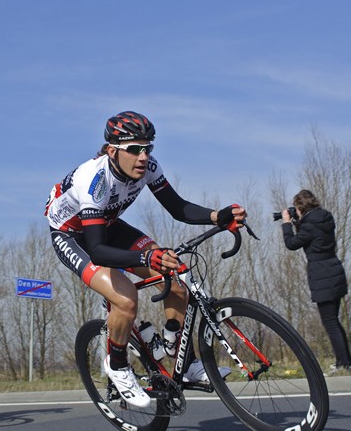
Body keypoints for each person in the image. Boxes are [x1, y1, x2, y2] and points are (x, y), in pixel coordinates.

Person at [44, 110, 246, 408]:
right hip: (74, 236)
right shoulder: (95, 180)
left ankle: (183, 359)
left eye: (148, 147)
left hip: (107, 224)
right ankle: (117, 364)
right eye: (134, 149)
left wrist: (217, 216)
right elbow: (98, 250)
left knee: (176, 278)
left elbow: (177, 207)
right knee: (125, 298)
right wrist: (147, 256)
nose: (143, 156)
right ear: (112, 151)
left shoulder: (148, 166)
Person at [281, 189, 351, 375]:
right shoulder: (325, 219)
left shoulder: (308, 226)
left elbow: (291, 244)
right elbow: (311, 235)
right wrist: (298, 221)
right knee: (334, 320)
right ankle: (346, 361)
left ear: (299, 207)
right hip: (335, 270)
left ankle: (343, 363)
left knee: (329, 322)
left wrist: (286, 224)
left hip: (322, 275)